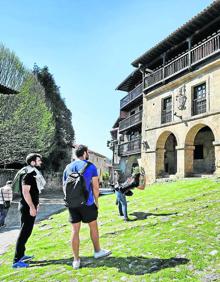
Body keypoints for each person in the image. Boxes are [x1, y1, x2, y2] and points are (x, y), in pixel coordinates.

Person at [63, 144, 111, 270]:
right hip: (87, 203)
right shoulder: (91, 167)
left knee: (75, 231)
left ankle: (76, 260)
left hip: (72, 204)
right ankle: (97, 251)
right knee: (93, 227)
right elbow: (95, 187)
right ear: (84, 153)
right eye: (87, 152)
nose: (88, 154)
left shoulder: (67, 167)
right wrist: (97, 201)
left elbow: (64, 186)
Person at [12, 153, 46, 268]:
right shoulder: (28, 175)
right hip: (27, 207)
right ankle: (16, 261)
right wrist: (32, 206)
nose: (40, 162)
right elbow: (26, 192)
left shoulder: (32, 173)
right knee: (24, 232)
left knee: (27, 231)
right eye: (38, 160)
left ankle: (21, 255)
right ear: (32, 162)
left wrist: (36, 204)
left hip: (29, 206)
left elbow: (33, 191)